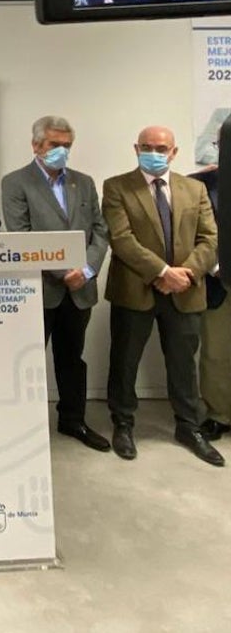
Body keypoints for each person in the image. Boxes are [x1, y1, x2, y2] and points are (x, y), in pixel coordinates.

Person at [102, 125, 222, 466]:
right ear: (136, 148)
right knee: (125, 361)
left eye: (161, 148)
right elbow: (122, 239)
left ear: (174, 152)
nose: (154, 152)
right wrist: (162, 272)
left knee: (185, 363)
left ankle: (188, 426)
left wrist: (185, 274)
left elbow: (210, 239)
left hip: (186, 290)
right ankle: (123, 423)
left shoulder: (194, 188)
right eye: (147, 147)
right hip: (135, 289)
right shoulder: (116, 187)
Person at [1, 116, 111, 452]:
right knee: (28, 360)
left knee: (72, 357)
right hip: (39, 289)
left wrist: (88, 270)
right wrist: (64, 271)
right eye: (54, 145)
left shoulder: (84, 182)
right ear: (36, 145)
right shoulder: (16, 183)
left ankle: (73, 420)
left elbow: (100, 230)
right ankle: (24, 426)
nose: (61, 151)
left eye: (66, 146)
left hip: (80, 289)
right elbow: (21, 236)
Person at [188, 164, 231, 441]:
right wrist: (215, 265)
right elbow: (189, 231)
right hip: (218, 282)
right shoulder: (197, 183)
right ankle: (219, 415)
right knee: (216, 352)